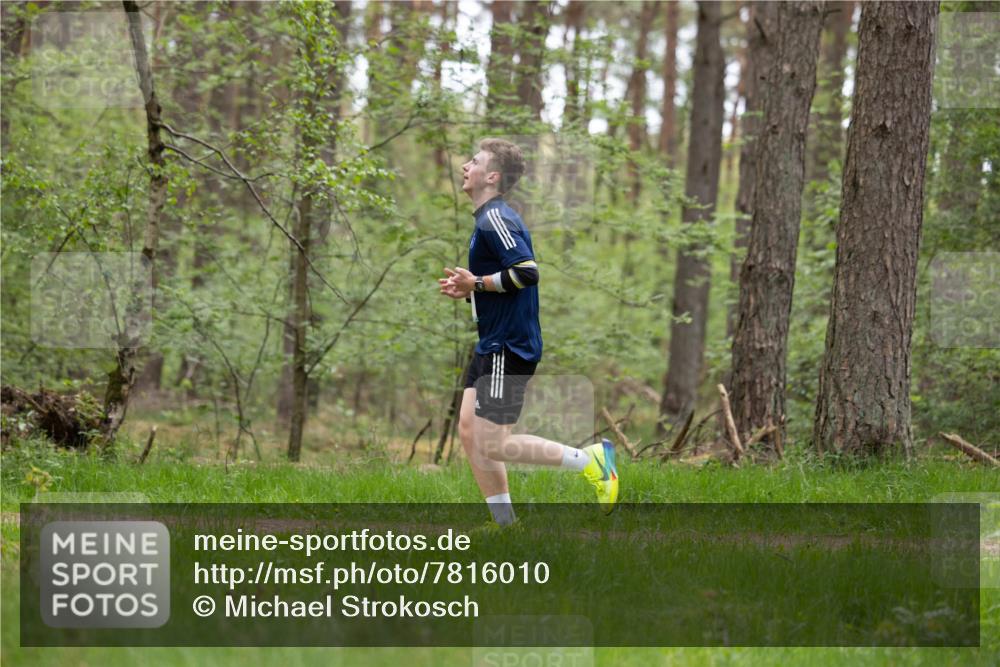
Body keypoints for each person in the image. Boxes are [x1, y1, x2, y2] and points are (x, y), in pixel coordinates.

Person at [438, 137, 619, 527]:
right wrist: (471, 291)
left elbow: (527, 272)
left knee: (493, 443)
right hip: (492, 342)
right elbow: (503, 282)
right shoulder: (485, 220)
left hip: (508, 346)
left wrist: (479, 284)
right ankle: (506, 526)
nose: (464, 166)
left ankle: (592, 461)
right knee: (471, 432)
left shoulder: (496, 218)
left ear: (493, 176)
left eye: (474, 160)